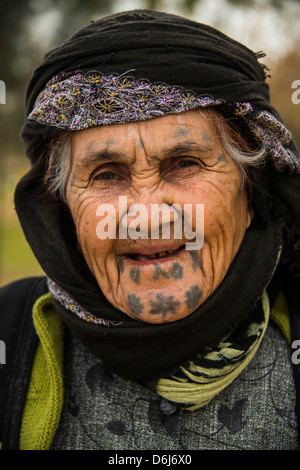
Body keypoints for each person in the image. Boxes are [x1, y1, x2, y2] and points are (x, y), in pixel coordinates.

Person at [0, 9, 300, 451]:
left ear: (250, 193)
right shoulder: (8, 332)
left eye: (185, 164)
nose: (146, 215)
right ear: (63, 206)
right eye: (106, 175)